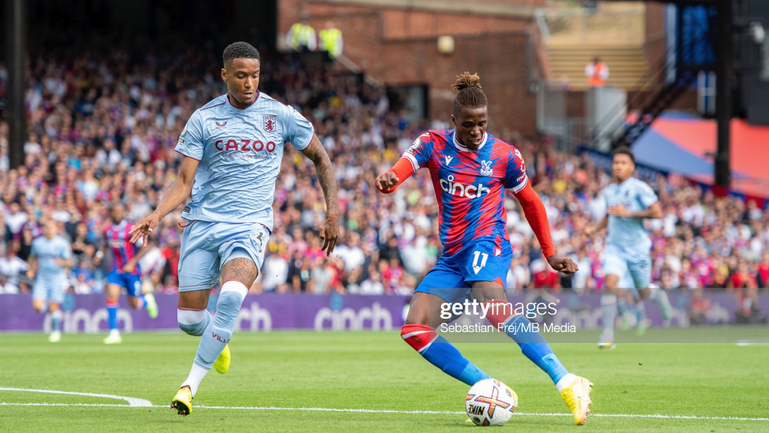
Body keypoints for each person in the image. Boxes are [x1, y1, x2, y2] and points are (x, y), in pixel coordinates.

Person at [128, 41, 338, 416]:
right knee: (190, 320)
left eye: (255, 75)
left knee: (230, 298)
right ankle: (217, 339)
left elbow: (321, 158)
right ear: (225, 75)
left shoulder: (280, 115)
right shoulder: (204, 119)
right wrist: (156, 215)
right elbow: (183, 181)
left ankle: (188, 387)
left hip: (250, 226)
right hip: (203, 224)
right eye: (240, 75)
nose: (249, 83)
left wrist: (332, 212)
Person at [375, 72, 593, 426]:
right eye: (468, 125)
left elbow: (531, 202)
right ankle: (486, 385)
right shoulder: (432, 143)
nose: (476, 132)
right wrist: (391, 179)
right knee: (415, 329)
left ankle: (568, 382)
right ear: (453, 121)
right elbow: (404, 166)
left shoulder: (505, 155)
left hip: (487, 243)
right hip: (452, 257)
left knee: (493, 307)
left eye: (482, 124)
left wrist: (550, 252)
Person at [585, 146, 673, 349]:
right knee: (610, 282)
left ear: (631, 167)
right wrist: (595, 229)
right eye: (616, 162)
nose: (618, 166)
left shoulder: (639, 188)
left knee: (642, 292)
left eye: (623, 163)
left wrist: (630, 214)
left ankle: (659, 296)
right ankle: (607, 335)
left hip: (638, 250)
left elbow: (657, 213)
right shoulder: (608, 191)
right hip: (615, 247)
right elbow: (610, 215)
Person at [94, 203, 158, 344]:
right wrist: (99, 254)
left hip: (132, 271)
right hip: (115, 270)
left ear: (124, 213)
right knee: (111, 296)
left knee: (134, 304)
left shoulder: (131, 228)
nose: (117, 213)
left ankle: (147, 301)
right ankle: (114, 333)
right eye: (115, 211)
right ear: (111, 213)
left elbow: (145, 248)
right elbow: (105, 244)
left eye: (119, 211)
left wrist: (132, 263)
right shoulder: (108, 230)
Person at [26, 221, 72, 343]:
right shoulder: (37, 243)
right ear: (44, 229)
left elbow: (69, 262)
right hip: (42, 278)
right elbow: (33, 257)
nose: (49, 229)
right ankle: (45, 301)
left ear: (56, 229)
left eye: (52, 227)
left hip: (57, 278)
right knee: (37, 307)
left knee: (53, 307)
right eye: (47, 227)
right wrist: (30, 269)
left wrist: (63, 263)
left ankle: (55, 331)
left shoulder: (62, 243)